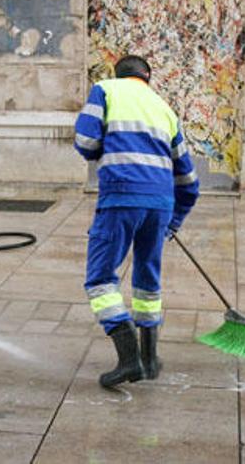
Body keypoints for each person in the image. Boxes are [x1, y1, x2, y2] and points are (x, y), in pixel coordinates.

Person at [74, 55, 199, 387]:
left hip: (121, 195)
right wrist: (173, 222)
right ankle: (149, 358)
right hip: (160, 203)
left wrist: (104, 148)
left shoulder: (105, 90)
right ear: (148, 78)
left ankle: (129, 359)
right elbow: (189, 180)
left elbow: (85, 142)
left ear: (119, 74)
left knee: (100, 279)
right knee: (147, 279)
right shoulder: (164, 109)